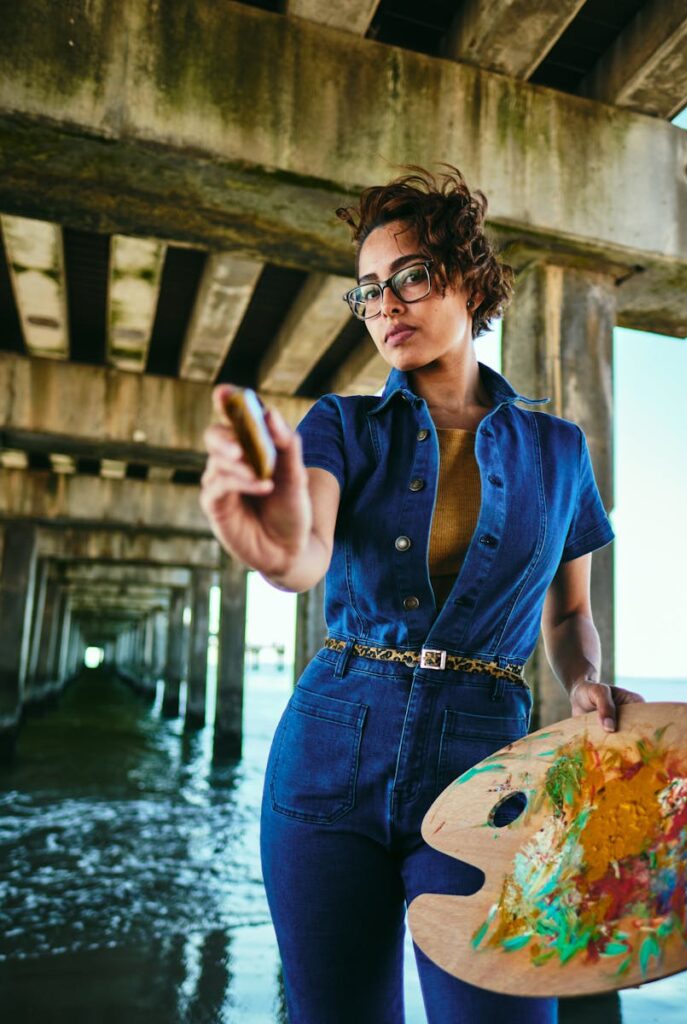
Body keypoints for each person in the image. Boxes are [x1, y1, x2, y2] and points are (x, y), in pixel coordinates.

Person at [200, 167, 644, 1024]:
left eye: (409, 276)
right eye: (367, 290)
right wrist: (276, 549)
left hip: (490, 765)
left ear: (471, 283)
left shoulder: (559, 450)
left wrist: (584, 680)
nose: (385, 305)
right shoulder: (339, 424)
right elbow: (305, 552)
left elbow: (568, 614)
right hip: (330, 751)